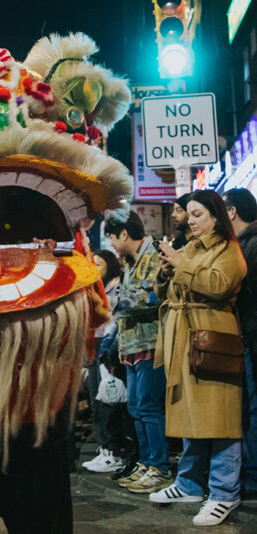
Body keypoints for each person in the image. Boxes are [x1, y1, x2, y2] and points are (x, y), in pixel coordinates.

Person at [150, 190, 247, 526]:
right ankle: (189, 483)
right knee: (189, 412)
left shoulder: (228, 248)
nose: (190, 221)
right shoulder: (190, 248)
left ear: (217, 216)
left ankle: (223, 493)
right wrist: (165, 272)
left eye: (197, 214)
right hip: (183, 335)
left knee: (220, 416)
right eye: (188, 214)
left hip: (212, 336)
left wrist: (181, 264)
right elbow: (166, 290)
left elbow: (220, 285)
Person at [103, 211, 171, 493]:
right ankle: (146, 461)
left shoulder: (155, 254)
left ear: (124, 234)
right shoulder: (130, 261)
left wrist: (117, 303)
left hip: (152, 343)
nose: (112, 244)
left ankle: (160, 467)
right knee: (136, 408)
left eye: (112, 237)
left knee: (149, 407)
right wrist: (120, 344)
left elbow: (156, 295)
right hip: (132, 345)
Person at [224, 188, 257, 500]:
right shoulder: (243, 245)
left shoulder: (251, 246)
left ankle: (253, 478)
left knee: (252, 411)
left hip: (250, 338)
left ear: (231, 212)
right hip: (246, 338)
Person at [82, 249, 126, 472]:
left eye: (99, 264)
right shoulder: (93, 288)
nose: (95, 269)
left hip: (107, 346)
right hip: (93, 344)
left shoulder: (116, 287)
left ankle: (114, 451)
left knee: (108, 400)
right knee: (96, 398)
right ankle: (105, 449)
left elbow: (114, 319)